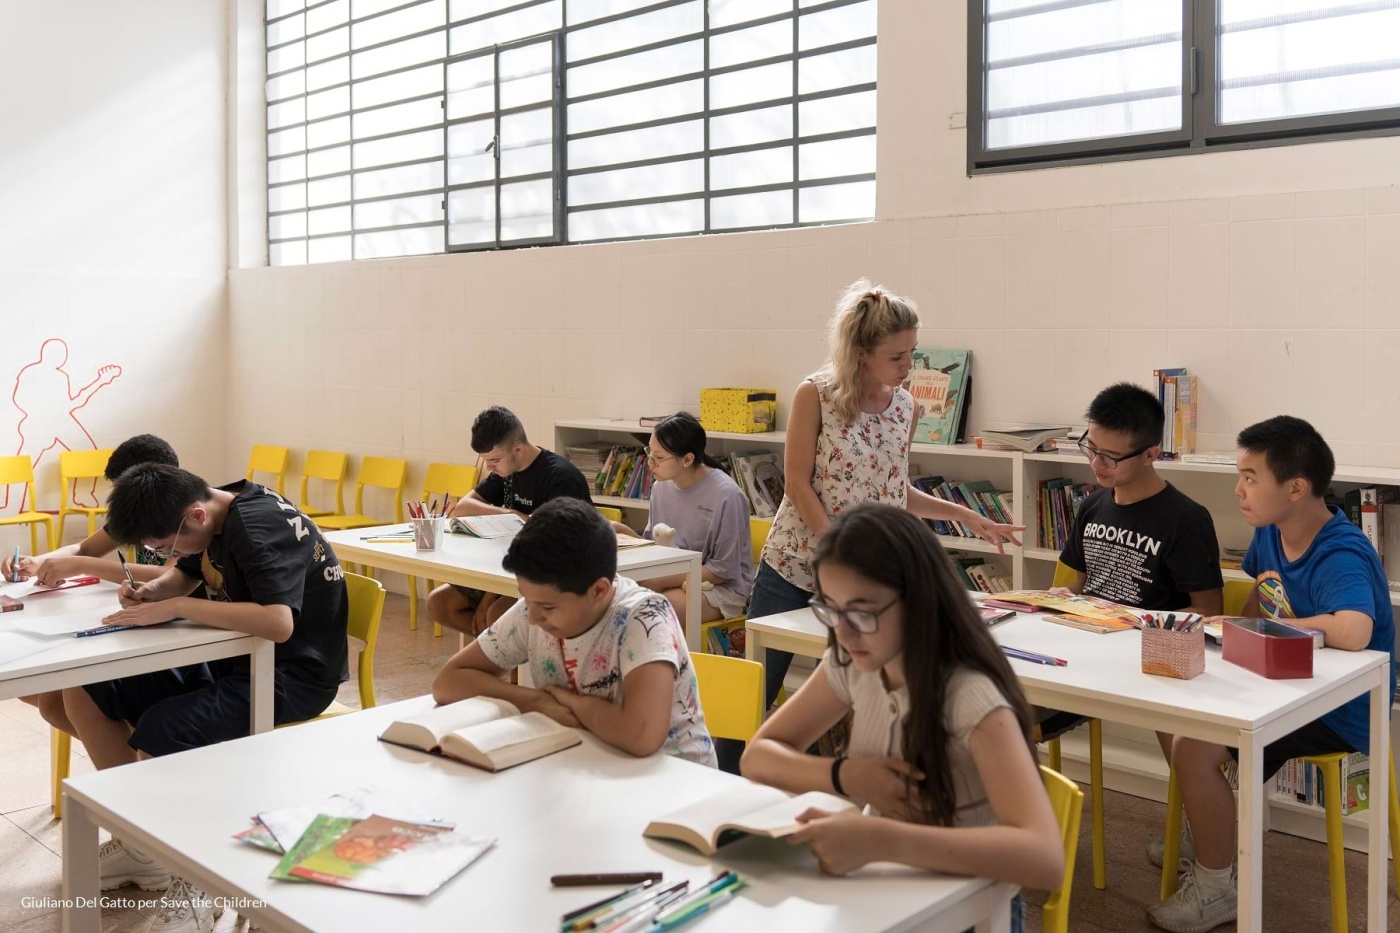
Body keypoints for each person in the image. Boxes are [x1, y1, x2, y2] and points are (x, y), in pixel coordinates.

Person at [740, 504, 1063, 929]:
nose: (843, 633)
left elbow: (1044, 859)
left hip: (970, 909)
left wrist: (882, 840)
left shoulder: (969, 695)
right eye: (830, 610)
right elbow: (758, 758)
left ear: (917, 598)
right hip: (887, 890)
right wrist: (848, 777)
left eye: (861, 613)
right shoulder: (854, 660)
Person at [61, 464, 349, 933]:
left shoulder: (255, 527)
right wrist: (154, 590)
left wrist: (172, 607)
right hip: (237, 658)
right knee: (91, 687)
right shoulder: (217, 508)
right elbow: (188, 575)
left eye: (166, 548)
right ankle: (144, 844)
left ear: (194, 515)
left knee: (164, 730)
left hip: (293, 675)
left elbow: (278, 623)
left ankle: (200, 877)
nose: (167, 555)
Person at [1147, 416, 1396, 933]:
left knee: (1195, 744)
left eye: (1250, 477)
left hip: (1341, 707)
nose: (1238, 489)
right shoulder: (1268, 533)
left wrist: (1265, 626)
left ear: (1296, 487)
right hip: (1283, 682)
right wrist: (1236, 626)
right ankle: (1217, 835)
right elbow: (1265, 597)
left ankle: (1217, 888)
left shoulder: (1341, 550)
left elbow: (1352, 629)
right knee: (1173, 715)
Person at [755, 279, 1023, 709]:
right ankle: (723, 769)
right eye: (897, 356)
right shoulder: (816, 395)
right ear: (861, 352)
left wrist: (969, 516)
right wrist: (835, 549)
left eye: (912, 352)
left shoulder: (906, 407)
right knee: (759, 685)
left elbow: (893, 489)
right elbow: (797, 484)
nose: (908, 365)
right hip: (797, 563)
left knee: (861, 695)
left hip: (866, 575)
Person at [432, 497, 716, 767]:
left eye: (547, 607)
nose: (532, 618)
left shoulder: (644, 618)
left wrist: (573, 704)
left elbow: (641, 737)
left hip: (673, 781)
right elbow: (447, 682)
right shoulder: (538, 607)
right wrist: (535, 702)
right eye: (526, 599)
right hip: (587, 762)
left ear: (600, 590)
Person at [1039, 384, 1224, 767]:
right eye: (1091, 447)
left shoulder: (1186, 520)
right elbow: (1078, 581)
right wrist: (1061, 595)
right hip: (1087, 656)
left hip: (1151, 663)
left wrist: (1138, 627)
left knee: (1189, 752)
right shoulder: (1091, 506)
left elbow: (1208, 611)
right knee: (1002, 713)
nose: (1096, 464)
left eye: (1110, 457)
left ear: (1150, 455)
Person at [4, 434, 186, 738]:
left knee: (70, 692)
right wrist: (39, 561)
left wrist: (83, 566)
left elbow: (169, 575)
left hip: (169, 633)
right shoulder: (137, 510)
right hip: (136, 620)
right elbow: (85, 550)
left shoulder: (185, 515)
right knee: (46, 698)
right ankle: (126, 754)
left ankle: (139, 755)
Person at [427, 406, 592, 636]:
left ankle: (512, 660)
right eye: (485, 460)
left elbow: (554, 555)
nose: (489, 467)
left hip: (553, 577)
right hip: (507, 572)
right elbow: (462, 508)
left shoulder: (561, 478)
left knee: (497, 615)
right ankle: (502, 653)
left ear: (517, 449)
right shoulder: (506, 472)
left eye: (494, 460)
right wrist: (511, 515)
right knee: (439, 604)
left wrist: (489, 596)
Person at [637, 412, 754, 627]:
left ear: (688, 459)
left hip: (722, 588)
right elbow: (653, 544)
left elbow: (723, 571)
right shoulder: (660, 486)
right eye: (649, 453)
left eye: (659, 457)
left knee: (653, 611)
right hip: (674, 575)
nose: (650, 463)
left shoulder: (727, 495)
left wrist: (659, 580)